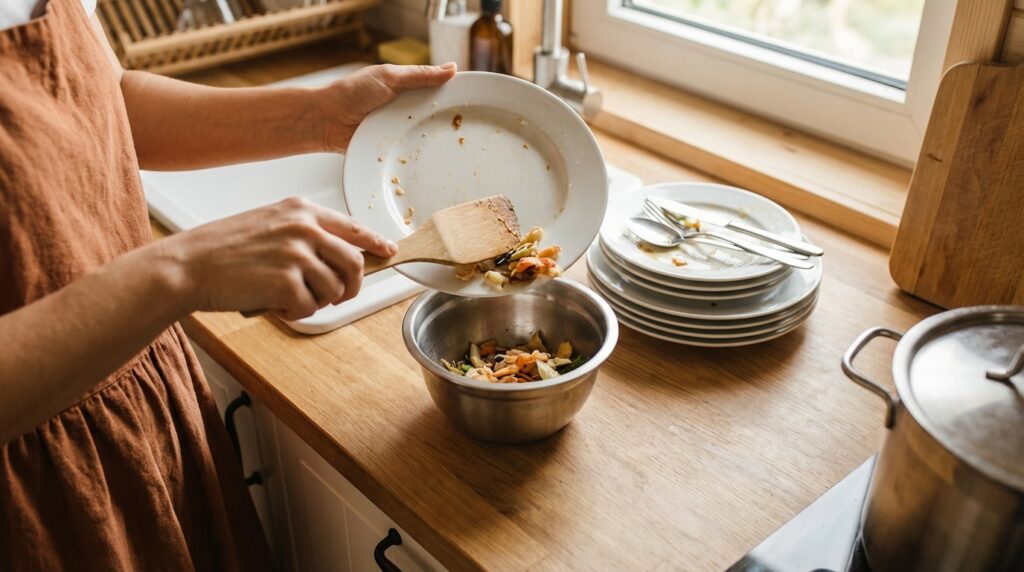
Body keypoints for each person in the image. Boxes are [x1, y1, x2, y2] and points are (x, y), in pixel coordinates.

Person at [0, 0, 456, 568]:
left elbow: (97, 96)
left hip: (139, 397)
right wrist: (182, 270)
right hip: (32, 492)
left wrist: (318, 117)